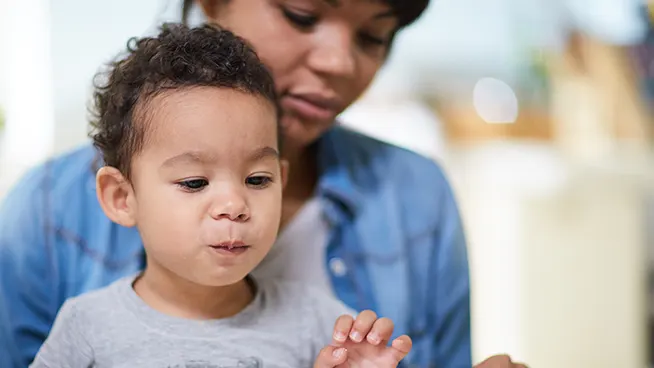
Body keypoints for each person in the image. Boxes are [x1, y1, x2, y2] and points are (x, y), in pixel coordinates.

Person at [0, 1, 527, 367]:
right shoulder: (71, 280)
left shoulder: (324, 317)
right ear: (119, 196)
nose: (339, 62)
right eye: (302, 15)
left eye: (373, 36)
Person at [29, 23, 413, 368]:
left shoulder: (321, 324)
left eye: (258, 180)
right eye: (194, 183)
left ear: (281, 179)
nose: (235, 206)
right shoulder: (87, 326)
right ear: (121, 197)